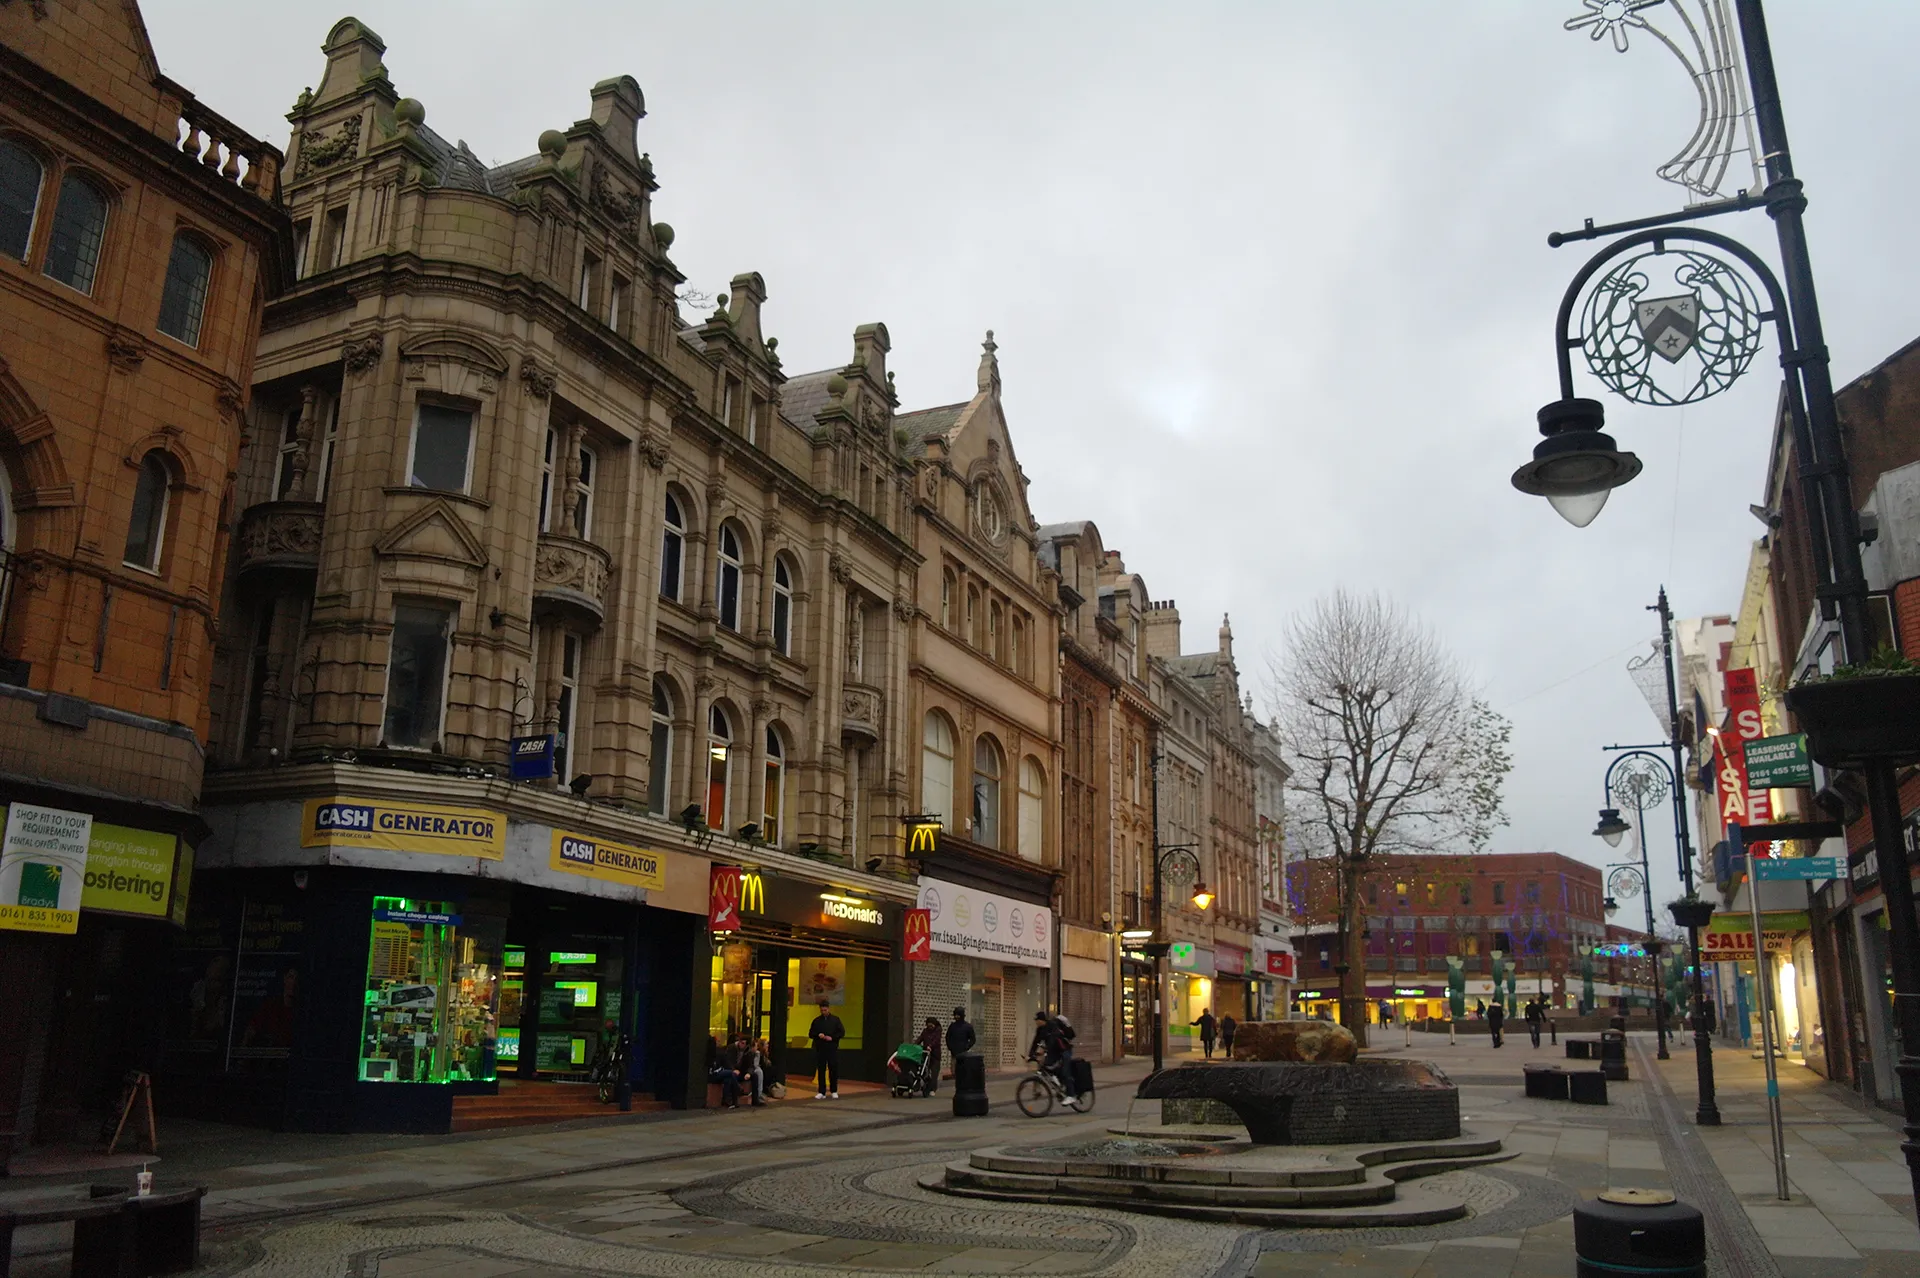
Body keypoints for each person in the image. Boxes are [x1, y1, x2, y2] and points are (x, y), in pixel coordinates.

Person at [1028, 1010, 1074, 1098]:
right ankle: (1057, 1087)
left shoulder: (1052, 1025)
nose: (1036, 1022)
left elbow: (1053, 1040)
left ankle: (1071, 1095)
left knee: (1065, 1072)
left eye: (1037, 1020)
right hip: (1052, 1051)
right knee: (1046, 1068)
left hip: (1064, 1050)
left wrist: (1045, 1051)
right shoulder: (1040, 1029)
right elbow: (1035, 1042)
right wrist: (1031, 1054)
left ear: (1041, 1020)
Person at [808, 998, 845, 1098]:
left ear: (828, 1009)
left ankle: (834, 1090)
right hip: (820, 1048)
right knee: (821, 1069)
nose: (823, 1012)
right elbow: (811, 1033)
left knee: (833, 1069)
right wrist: (818, 1035)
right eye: (822, 1010)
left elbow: (841, 1032)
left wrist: (832, 1038)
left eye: (825, 1010)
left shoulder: (835, 1020)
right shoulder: (816, 1021)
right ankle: (822, 1091)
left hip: (832, 1048)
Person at [709, 1034, 748, 1108]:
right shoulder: (715, 1052)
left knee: (728, 1078)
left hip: (719, 1072)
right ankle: (738, 1089)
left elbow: (726, 1063)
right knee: (731, 1073)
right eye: (717, 1041)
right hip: (714, 1073)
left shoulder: (720, 1052)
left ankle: (727, 1100)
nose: (719, 1042)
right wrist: (733, 1070)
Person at [915, 1016, 943, 1096]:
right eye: (928, 1025)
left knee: (934, 1072)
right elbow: (920, 1039)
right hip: (925, 1053)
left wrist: (930, 1046)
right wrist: (914, 1045)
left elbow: (936, 1040)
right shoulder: (925, 1031)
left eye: (931, 1026)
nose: (930, 1027)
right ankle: (925, 1086)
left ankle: (933, 1089)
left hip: (935, 1054)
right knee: (924, 1070)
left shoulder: (938, 1031)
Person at [747, 1036, 772, 1106]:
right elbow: (756, 1065)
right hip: (754, 1070)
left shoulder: (763, 1053)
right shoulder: (757, 1053)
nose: (768, 1045)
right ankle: (758, 1094)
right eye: (766, 1044)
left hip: (756, 1070)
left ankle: (760, 1094)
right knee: (759, 1073)